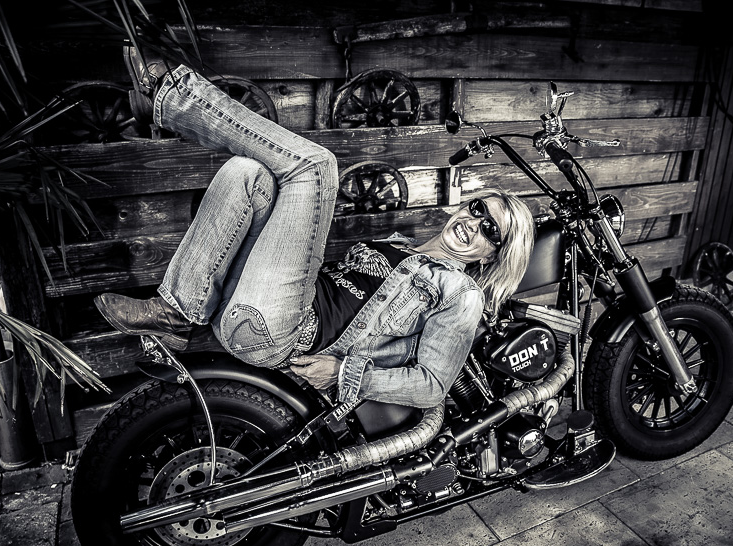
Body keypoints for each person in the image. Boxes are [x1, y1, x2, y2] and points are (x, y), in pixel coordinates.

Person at [95, 49, 535, 410]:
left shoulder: (461, 292)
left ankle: (176, 98)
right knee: (249, 173)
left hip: (283, 331)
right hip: (240, 302)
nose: (474, 224)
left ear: (492, 257)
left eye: (491, 232)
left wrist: (345, 373)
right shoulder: (399, 244)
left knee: (318, 166)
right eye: (478, 209)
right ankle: (178, 312)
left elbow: (431, 386)